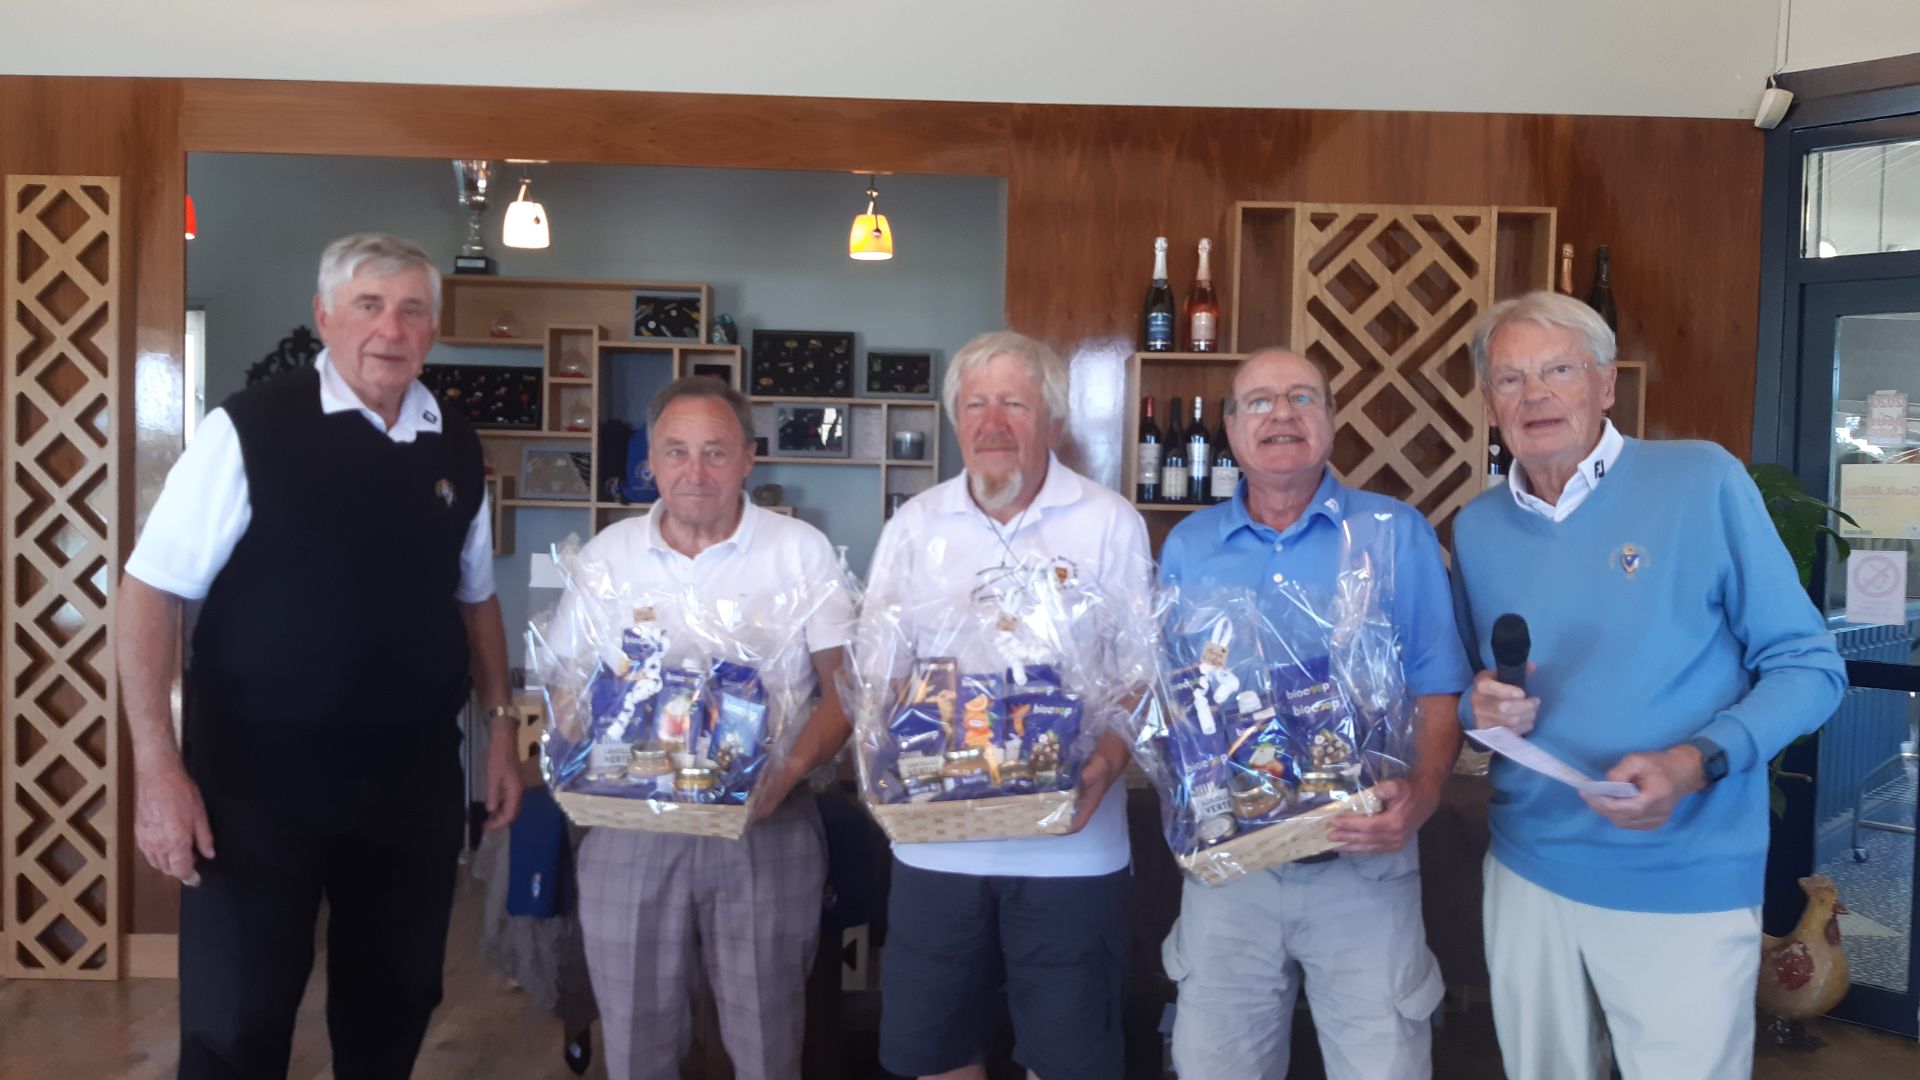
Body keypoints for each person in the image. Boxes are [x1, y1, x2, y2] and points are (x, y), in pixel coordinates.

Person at [117, 232, 524, 1078]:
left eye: (411, 310)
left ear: (433, 327)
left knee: (397, 1000)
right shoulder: (248, 429)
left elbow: (476, 597)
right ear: (325, 316)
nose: (390, 329)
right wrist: (158, 766)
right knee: (239, 1017)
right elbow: (151, 591)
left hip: (409, 779)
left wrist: (500, 729)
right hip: (255, 784)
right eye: (368, 306)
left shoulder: (454, 441)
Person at [1450, 291, 1846, 1080]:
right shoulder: (1478, 527)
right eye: (1510, 379)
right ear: (1489, 403)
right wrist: (1476, 704)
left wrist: (1696, 761)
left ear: (1605, 384)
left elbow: (1810, 666)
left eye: (1559, 370)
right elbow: (1469, 688)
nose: (1535, 396)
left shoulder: (1701, 481)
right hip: (1527, 870)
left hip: (1684, 874)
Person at [1156, 348, 1470, 1079]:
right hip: (1231, 870)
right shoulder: (1189, 546)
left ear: (1330, 419)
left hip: (1365, 860)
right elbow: (1173, 700)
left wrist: (1423, 795)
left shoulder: (1395, 533)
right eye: (1259, 402)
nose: (1282, 415)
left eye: (1302, 398)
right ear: (1231, 428)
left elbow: (1438, 687)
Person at [864, 331, 1151, 1080]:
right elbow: (879, 674)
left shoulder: (1108, 521)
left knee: (1068, 1062)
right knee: (938, 1057)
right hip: (934, 845)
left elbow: (1140, 673)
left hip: (1072, 850)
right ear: (955, 420)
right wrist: (877, 762)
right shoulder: (913, 526)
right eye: (976, 405)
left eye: (1014, 405)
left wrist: (1107, 760)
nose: (992, 424)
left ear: (1053, 422)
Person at [564, 376, 855, 1080]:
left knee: (767, 1044)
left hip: (766, 825)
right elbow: (568, 689)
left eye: (715, 451)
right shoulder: (607, 555)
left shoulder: (801, 550)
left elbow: (848, 690)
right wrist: (580, 760)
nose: (695, 471)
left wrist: (785, 774)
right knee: (635, 1048)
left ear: (749, 457)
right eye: (676, 451)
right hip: (630, 831)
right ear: (651, 461)